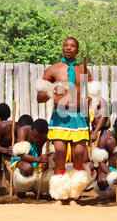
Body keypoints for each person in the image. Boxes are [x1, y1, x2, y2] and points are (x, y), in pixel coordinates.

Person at [36, 37, 92, 206]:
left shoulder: (84, 70)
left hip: (79, 116)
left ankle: (74, 196)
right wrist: (52, 90)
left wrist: (89, 100)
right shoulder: (53, 70)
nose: (68, 48)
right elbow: (39, 97)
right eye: (65, 45)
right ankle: (60, 196)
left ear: (77, 50)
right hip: (60, 116)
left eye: (72, 46)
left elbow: (90, 94)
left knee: (79, 157)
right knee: (59, 155)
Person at [0, 114, 33, 193]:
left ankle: (19, 185)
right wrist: (4, 150)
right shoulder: (4, 127)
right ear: (17, 124)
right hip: (0, 155)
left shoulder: (30, 132)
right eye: (22, 129)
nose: (23, 132)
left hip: (16, 160)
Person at [10, 119, 51, 198]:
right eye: (35, 136)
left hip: (37, 161)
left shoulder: (47, 136)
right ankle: (20, 189)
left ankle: (36, 189)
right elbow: (22, 155)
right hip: (20, 160)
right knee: (27, 168)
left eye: (40, 137)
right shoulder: (23, 131)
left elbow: (53, 154)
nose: (37, 139)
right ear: (31, 130)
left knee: (50, 168)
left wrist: (47, 162)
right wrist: (39, 159)